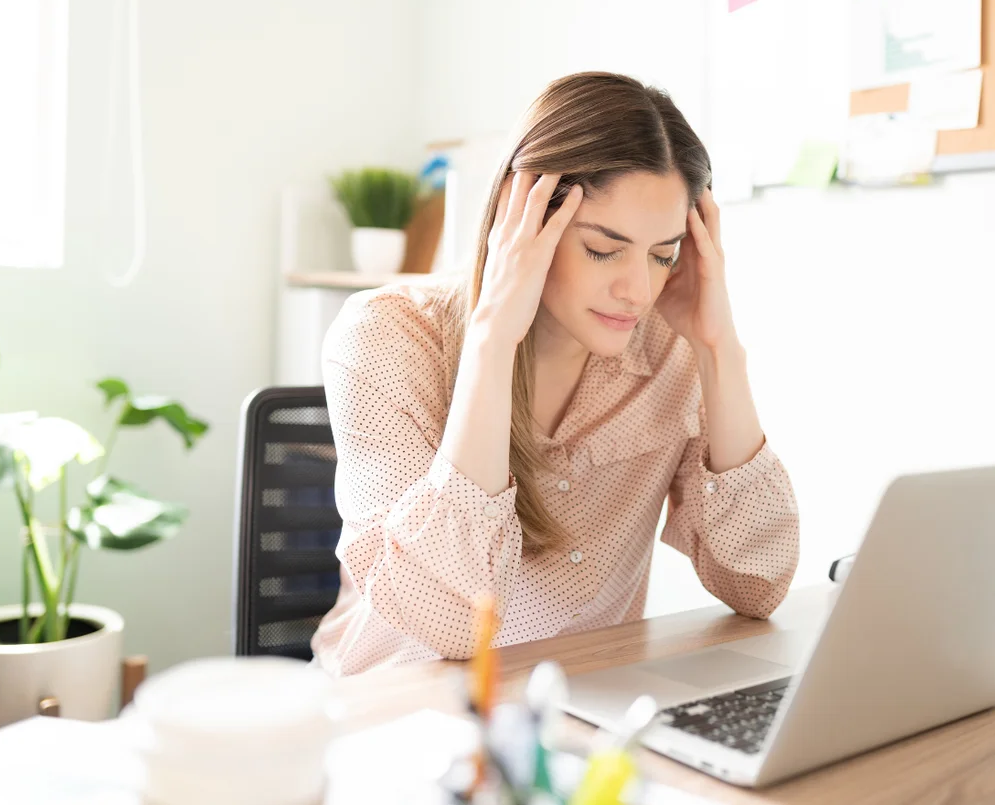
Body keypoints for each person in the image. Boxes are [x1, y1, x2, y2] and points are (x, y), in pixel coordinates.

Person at [311, 72, 799, 676]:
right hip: (398, 711)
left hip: (578, 717)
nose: (638, 290)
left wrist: (719, 348)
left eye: (663, 255)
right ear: (524, 220)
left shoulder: (674, 352)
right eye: (603, 249)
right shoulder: (386, 338)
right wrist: (492, 341)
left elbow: (760, 583)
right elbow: (453, 626)